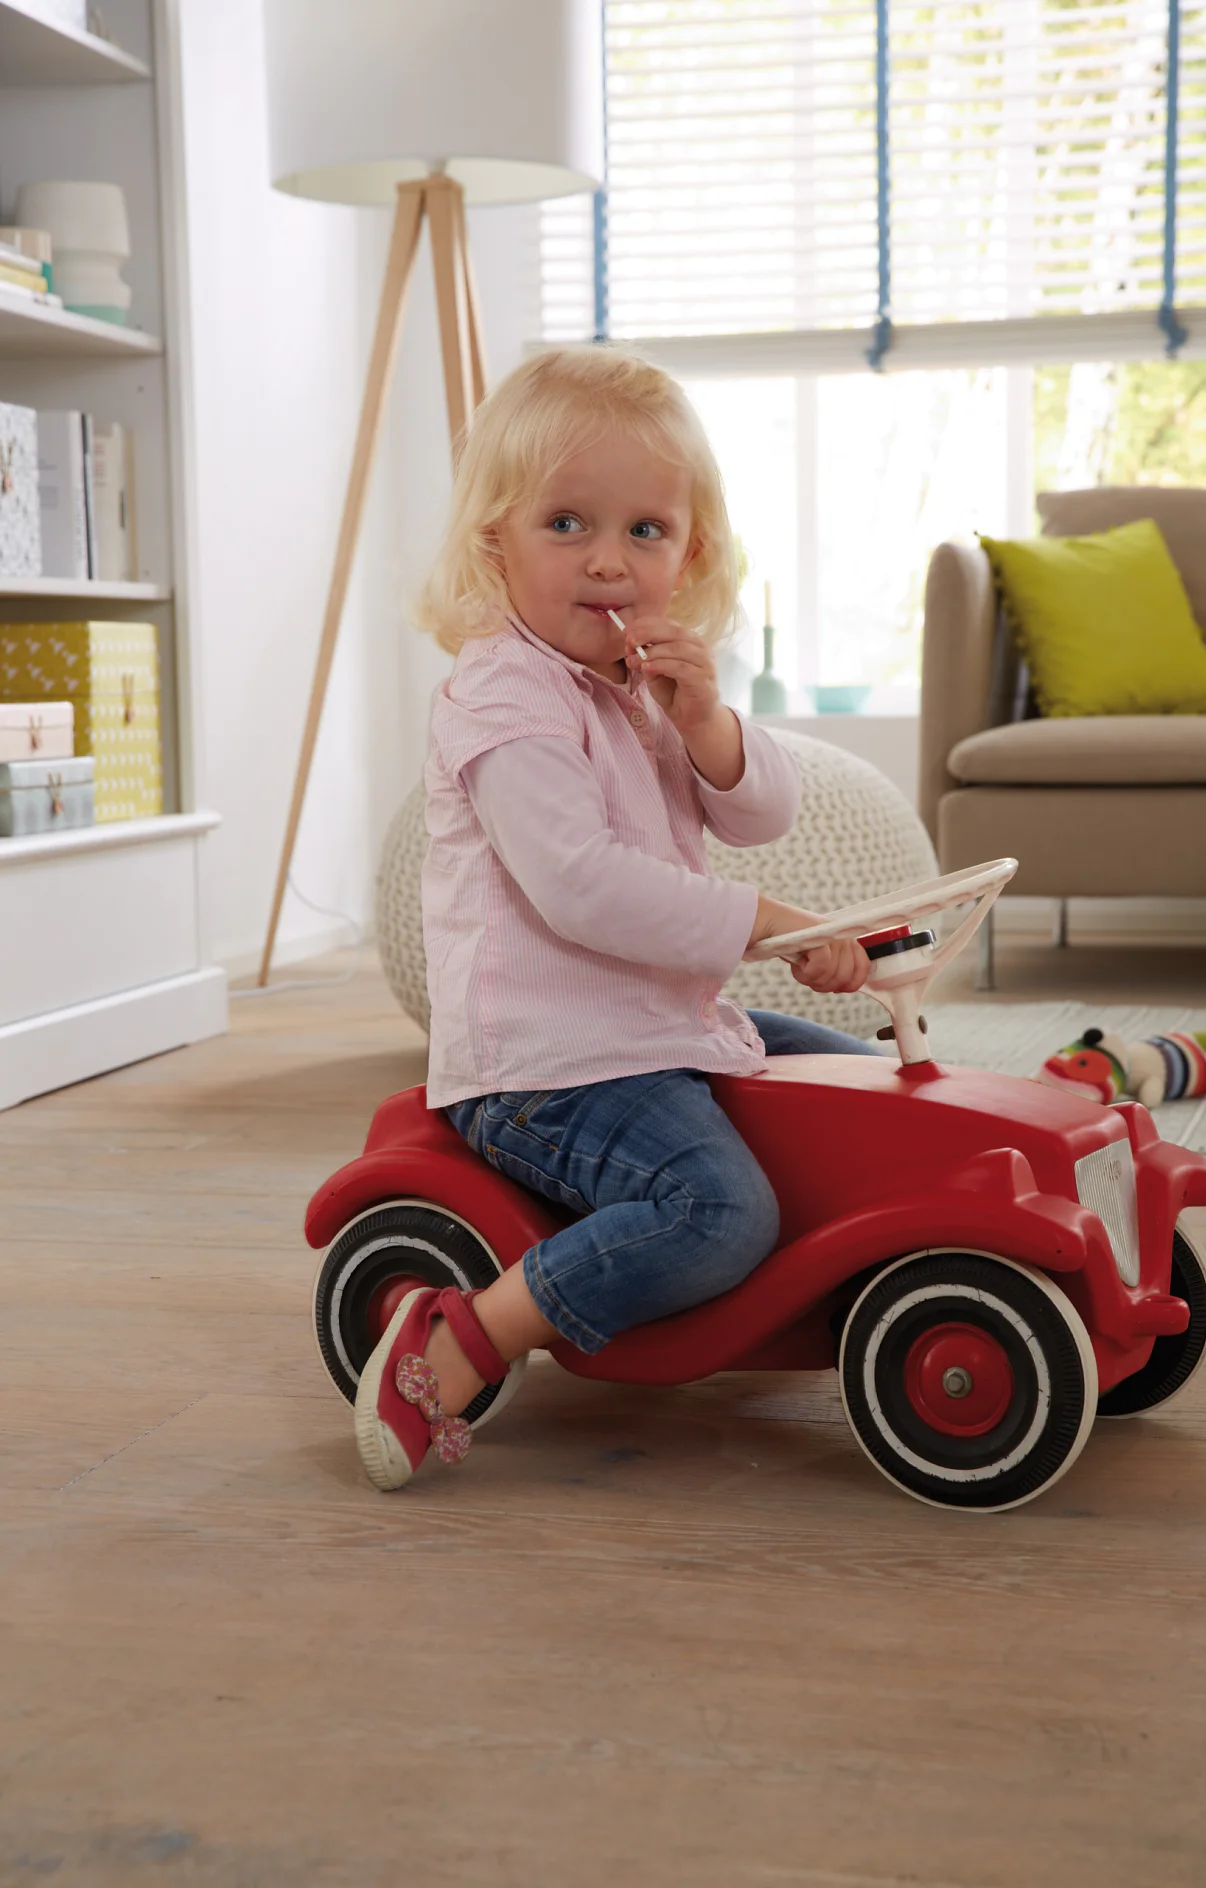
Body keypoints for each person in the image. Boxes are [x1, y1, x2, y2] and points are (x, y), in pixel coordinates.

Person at [355, 345, 879, 1492]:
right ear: (496, 540)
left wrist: (706, 725)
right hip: (545, 1064)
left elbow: (760, 812)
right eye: (566, 524)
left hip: (658, 1028)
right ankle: (468, 1337)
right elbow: (580, 886)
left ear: (690, 550)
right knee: (716, 1207)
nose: (608, 560)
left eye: (645, 531)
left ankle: (817, 1303)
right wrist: (767, 925)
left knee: (867, 1095)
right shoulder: (503, 693)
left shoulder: (640, 685)